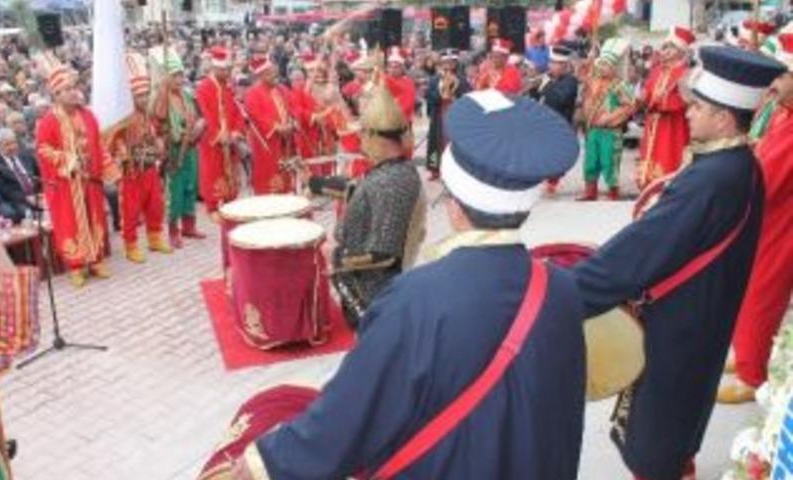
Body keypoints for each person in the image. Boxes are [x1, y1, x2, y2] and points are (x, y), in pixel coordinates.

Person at [205, 90, 585, 480]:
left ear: (453, 203)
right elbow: (562, 417)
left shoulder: (416, 301)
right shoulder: (561, 288)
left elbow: (349, 416)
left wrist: (264, 464)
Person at [572, 46, 785, 480]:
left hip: (680, 322)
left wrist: (565, 290)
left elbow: (641, 251)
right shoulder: (737, 163)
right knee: (682, 414)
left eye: (699, 107)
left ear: (725, 118)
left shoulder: (714, 178)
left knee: (657, 431)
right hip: (703, 314)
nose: (687, 112)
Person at [723, 33, 793, 404]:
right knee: (750, 286)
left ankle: (753, 375)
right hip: (772, 217)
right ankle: (749, 356)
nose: (773, 85)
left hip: (782, 222)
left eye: (780, 77)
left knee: (761, 292)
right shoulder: (783, 113)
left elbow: (767, 179)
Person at [326, 85, 425, 329]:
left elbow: (385, 255)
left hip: (371, 292)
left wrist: (336, 256)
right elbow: (363, 190)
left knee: (373, 345)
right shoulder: (397, 169)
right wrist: (318, 184)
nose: (360, 140)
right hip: (370, 284)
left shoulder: (389, 183)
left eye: (363, 134)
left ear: (375, 137)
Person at [35, 54, 118, 287]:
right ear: (56, 95)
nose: (73, 92)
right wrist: (69, 160)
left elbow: (99, 143)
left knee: (96, 218)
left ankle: (97, 260)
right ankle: (76, 266)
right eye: (67, 89)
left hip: (90, 179)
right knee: (69, 223)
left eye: (74, 87)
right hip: (66, 184)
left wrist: (108, 168)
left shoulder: (88, 114)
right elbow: (42, 150)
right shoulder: (48, 121)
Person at [109, 51, 173, 263]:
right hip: (131, 171)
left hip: (149, 167)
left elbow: (154, 130)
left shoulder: (147, 113)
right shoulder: (123, 117)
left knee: (156, 204)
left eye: (146, 94)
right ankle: (131, 245)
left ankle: (155, 238)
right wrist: (122, 151)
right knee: (131, 210)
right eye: (140, 96)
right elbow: (111, 139)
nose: (144, 98)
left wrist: (157, 142)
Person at [153, 49, 207, 248]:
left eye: (181, 74)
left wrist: (200, 126)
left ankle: (189, 226)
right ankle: (173, 231)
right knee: (174, 192)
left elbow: (202, 116)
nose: (180, 79)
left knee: (191, 187)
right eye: (175, 75)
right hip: (174, 151)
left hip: (191, 147)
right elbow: (156, 122)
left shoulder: (188, 95)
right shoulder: (160, 97)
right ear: (166, 77)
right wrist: (163, 94)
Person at [637, 27, 694, 190]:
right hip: (654, 123)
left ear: (680, 51)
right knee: (651, 154)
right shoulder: (656, 71)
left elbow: (686, 100)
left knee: (669, 155)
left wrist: (662, 104)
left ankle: (669, 187)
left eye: (670, 47)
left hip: (674, 124)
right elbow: (647, 91)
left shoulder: (686, 73)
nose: (665, 51)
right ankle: (648, 186)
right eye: (665, 47)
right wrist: (642, 99)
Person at [578, 38, 634, 201]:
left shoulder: (620, 85)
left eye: (606, 65)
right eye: (600, 64)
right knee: (591, 161)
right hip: (593, 129)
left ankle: (613, 192)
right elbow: (581, 73)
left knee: (609, 162)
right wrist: (590, 57)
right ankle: (590, 192)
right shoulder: (593, 80)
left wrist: (610, 118)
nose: (602, 68)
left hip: (610, 131)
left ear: (614, 67)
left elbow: (629, 106)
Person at [195, 47, 245, 219]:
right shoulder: (203, 88)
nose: (226, 73)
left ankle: (230, 200)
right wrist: (218, 134)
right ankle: (212, 207)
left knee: (231, 169)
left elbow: (237, 112)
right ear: (214, 69)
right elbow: (206, 113)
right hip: (213, 139)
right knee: (212, 171)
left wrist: (236, 131)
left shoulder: (228, 87)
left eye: (227, 70)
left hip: (230, 138)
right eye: (222, 70)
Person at [529, 44, 579, 195]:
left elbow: (559, 99)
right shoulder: (546, 79)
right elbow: (536, 98)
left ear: (564, 66)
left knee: (555, 157)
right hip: (543, 123)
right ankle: (541, 180)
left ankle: (552, 182)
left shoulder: (571, 81)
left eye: (555, 63)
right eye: (550, 62)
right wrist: (533, 87)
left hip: (560, 125)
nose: (551, 66)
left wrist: (546, 85)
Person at [243, 56, 294, 194]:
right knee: (268, 179)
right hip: (266, 142)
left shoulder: (281, 89)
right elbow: (256, 116)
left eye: (274, 73)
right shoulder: (252, 93)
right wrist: (276, 127)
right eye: (270, 74)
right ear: (261, 75)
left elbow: (291, 107)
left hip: (285, 141)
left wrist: (291, 123)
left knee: (285, 177)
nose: (275, 76)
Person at [424, 49, 470, 181]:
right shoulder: (435, 79)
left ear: (456, 63)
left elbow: (467, 96)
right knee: (436, 141)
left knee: (453, 142)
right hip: (439, 114)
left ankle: (456, 169)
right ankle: (435, 169)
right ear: (442, 63)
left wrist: (455, 96)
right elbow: (428, 95)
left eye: (451, 62)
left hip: (455, 115)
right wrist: (440, 96)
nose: (449, 65)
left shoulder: (462, 80)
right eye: (446, 62)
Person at [0, 127, 39, 223]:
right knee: (27, 213)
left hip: (36, 196)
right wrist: (26, 198)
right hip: (17, 200)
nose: (12, 147)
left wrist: (40, 195)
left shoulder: (26, 155)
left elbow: (39, 175)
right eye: (7, 145)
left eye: (14, 142)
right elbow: (5, 190)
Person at [383, 47, 417, 124]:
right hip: (384, 119)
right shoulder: (383, 80)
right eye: (390, 67)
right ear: (387, 68)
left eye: (396, 67)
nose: (393, 69)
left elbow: (408, 103)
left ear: (402, 68)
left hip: (402, 120)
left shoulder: (408, 83)